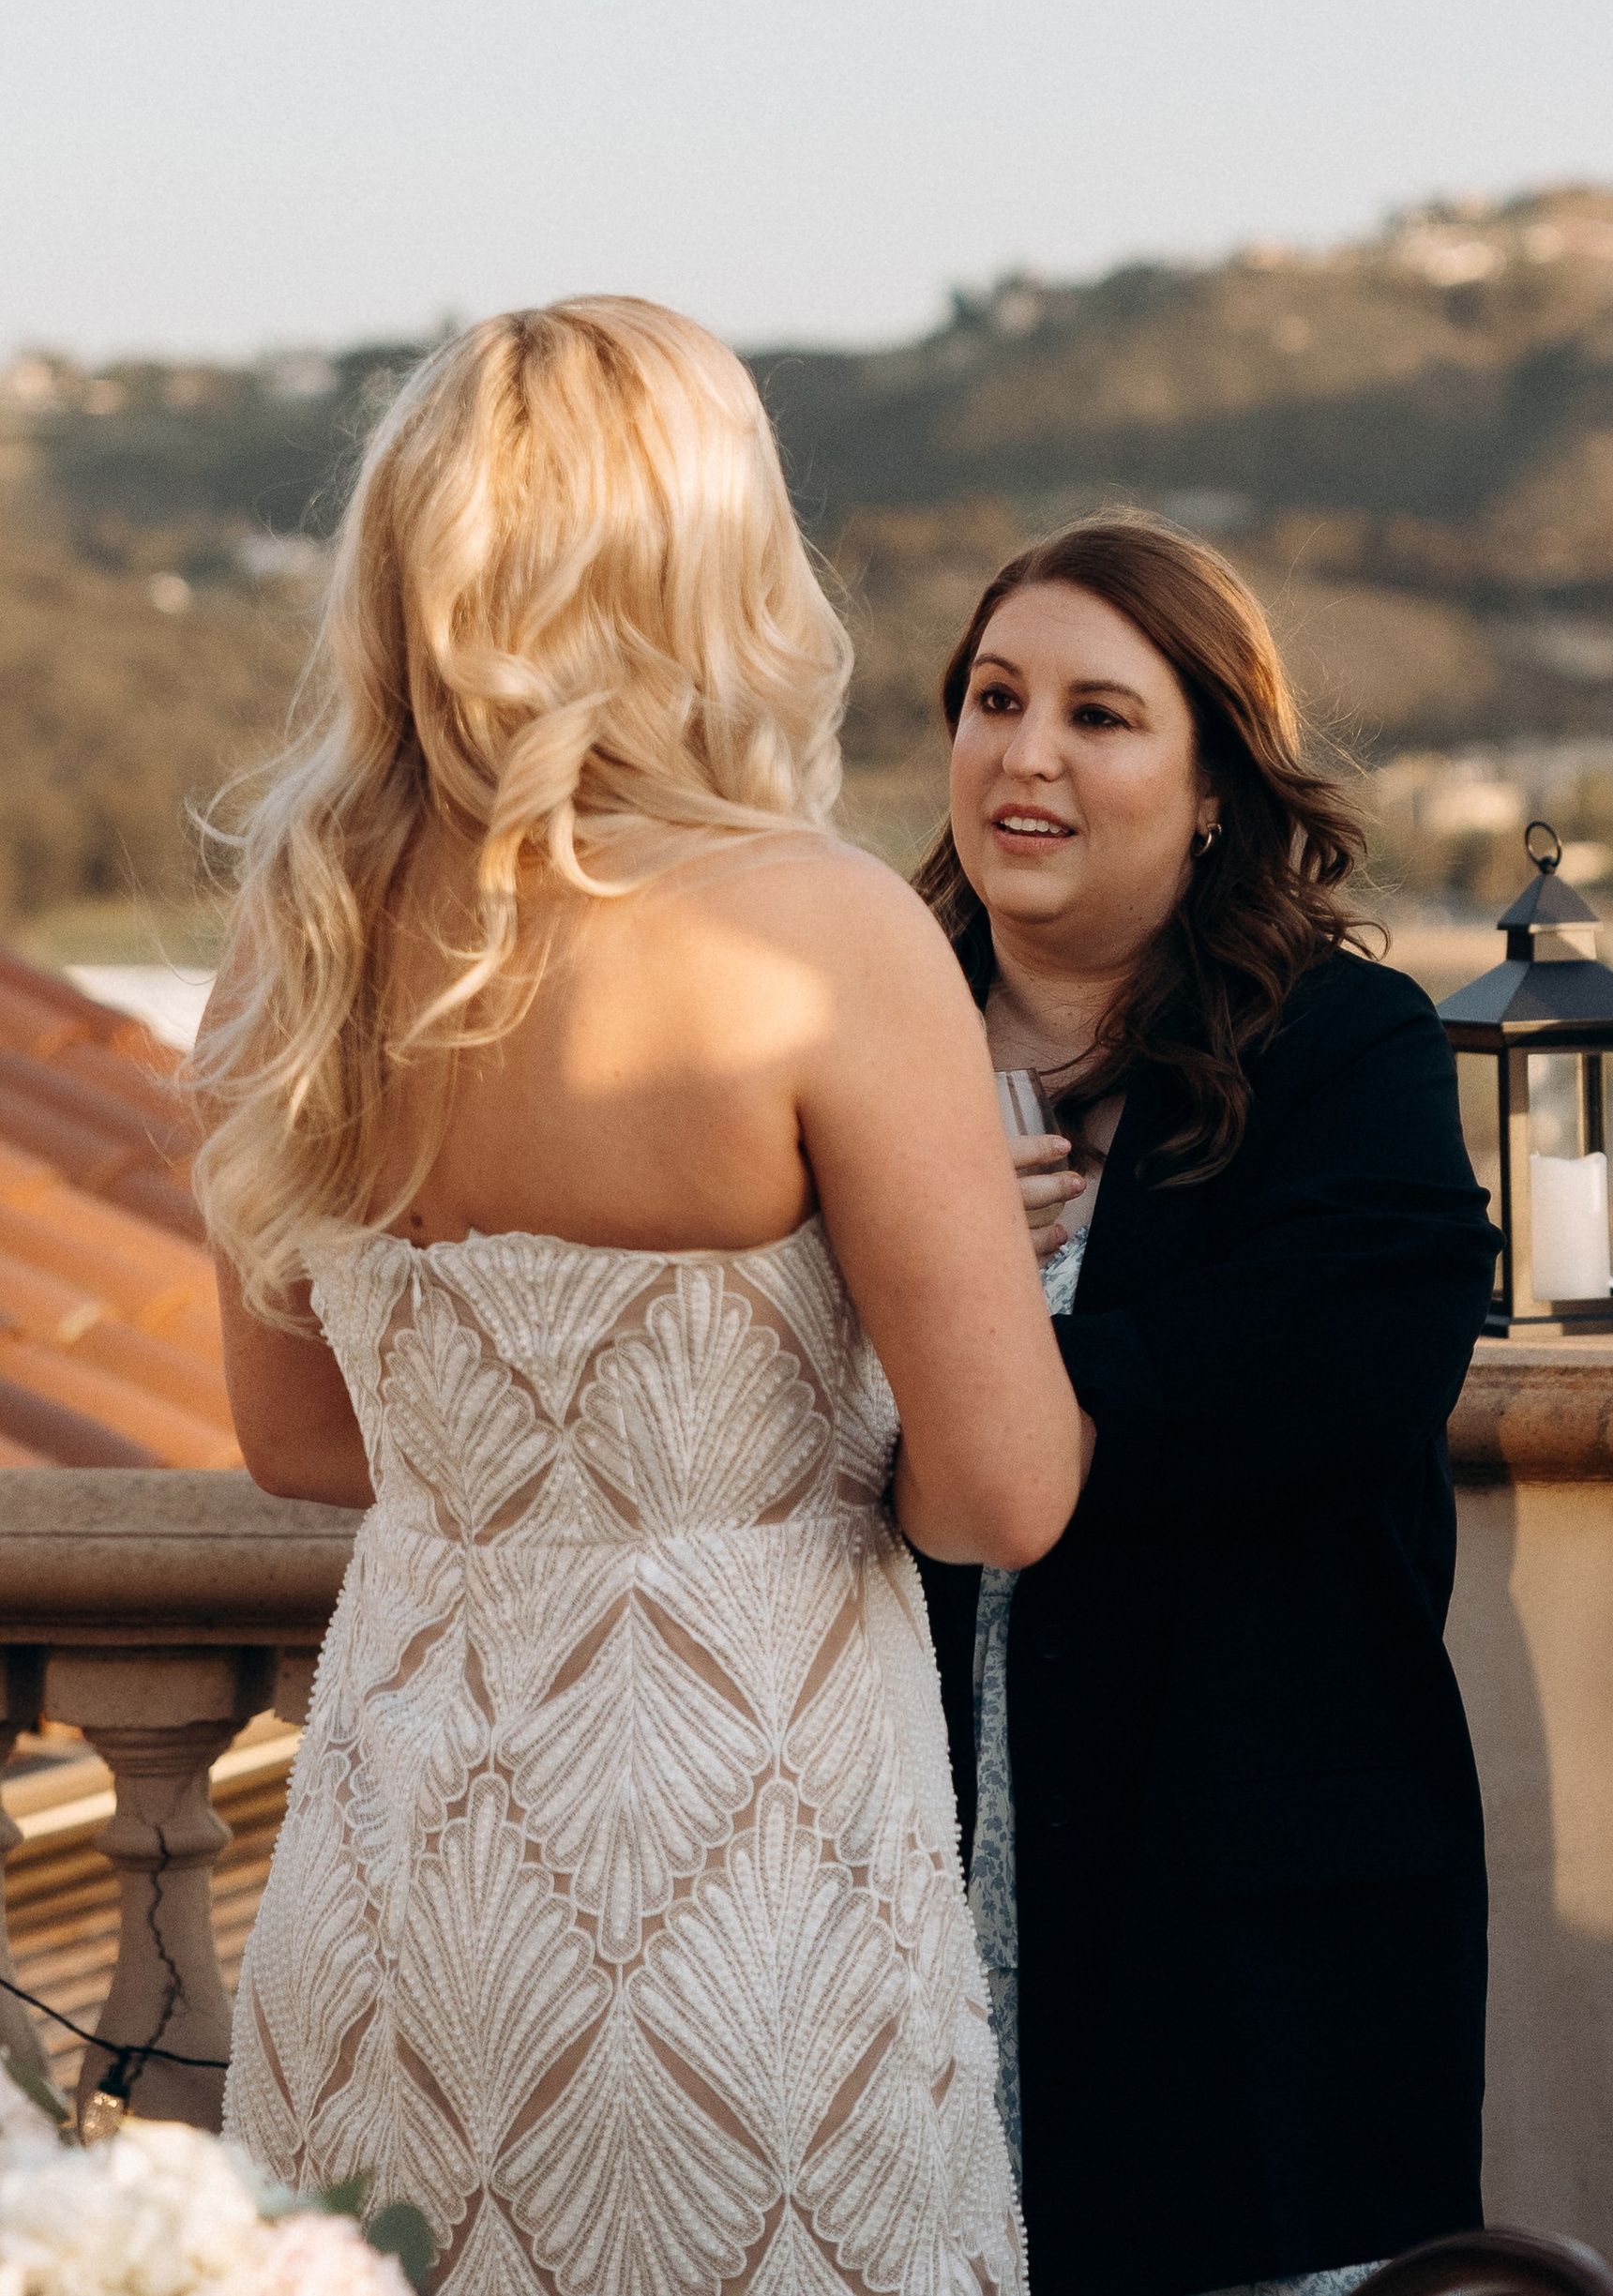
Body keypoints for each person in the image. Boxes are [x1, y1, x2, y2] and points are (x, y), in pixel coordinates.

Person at [194, 298, 1083, 2296]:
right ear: (714, 558)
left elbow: (297, 1437)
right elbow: (1005, 1492)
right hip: (743, 1881)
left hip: (395, 1892)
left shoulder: (298, 937)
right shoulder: (821, 928)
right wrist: (866, 1345)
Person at [907, 516, 1496, 2296]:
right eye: (995, 699)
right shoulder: (860, 1051)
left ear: (1218, 783)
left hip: (1235, 1900)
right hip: (887, 1854)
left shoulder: (1349, 1046)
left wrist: (968, 1332)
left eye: (1100, 715)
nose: (1027, 754)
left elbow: (1335, 1368)